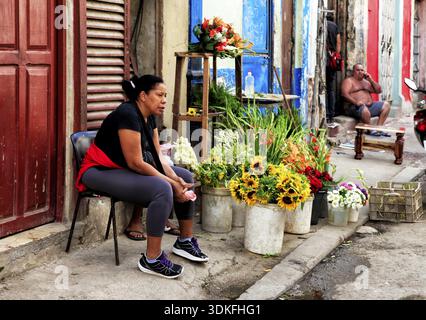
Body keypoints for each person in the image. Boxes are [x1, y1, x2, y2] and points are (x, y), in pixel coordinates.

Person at [76, 74, 208, 279]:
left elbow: (158, 158)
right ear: (143, 95)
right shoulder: (127, 113)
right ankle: (152, 259)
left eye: (165, 95)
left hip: (122, 169)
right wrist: (170, 184)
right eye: (159, 95)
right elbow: (136, 162)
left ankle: (184, 241)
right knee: (162, 188)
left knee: (185, 176)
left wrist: (177, 179)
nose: (164, 100)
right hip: (99, 171)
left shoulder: (150, 116)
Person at [340, 64, 391, 136]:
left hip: (369, 107)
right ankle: (369, 130)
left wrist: (371, 80)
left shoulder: (366, 82)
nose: (360, 72)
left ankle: (379, 129)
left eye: (362, 70)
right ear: (353, 72)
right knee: (365, 110)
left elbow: (378, 90)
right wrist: (356, 102)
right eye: (358, 70)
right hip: (355, 107)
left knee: (386, 105)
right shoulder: (349, 81)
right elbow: (344, 94)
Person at [326, 12, 342, 123]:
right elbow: (338, 42)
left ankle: (326, 112)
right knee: (330, 88)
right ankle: (331, 114)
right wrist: (336, 55)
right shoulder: (334, 26)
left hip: (324, 58)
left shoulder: (323, 23)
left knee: (322, 87)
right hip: (331, 60)